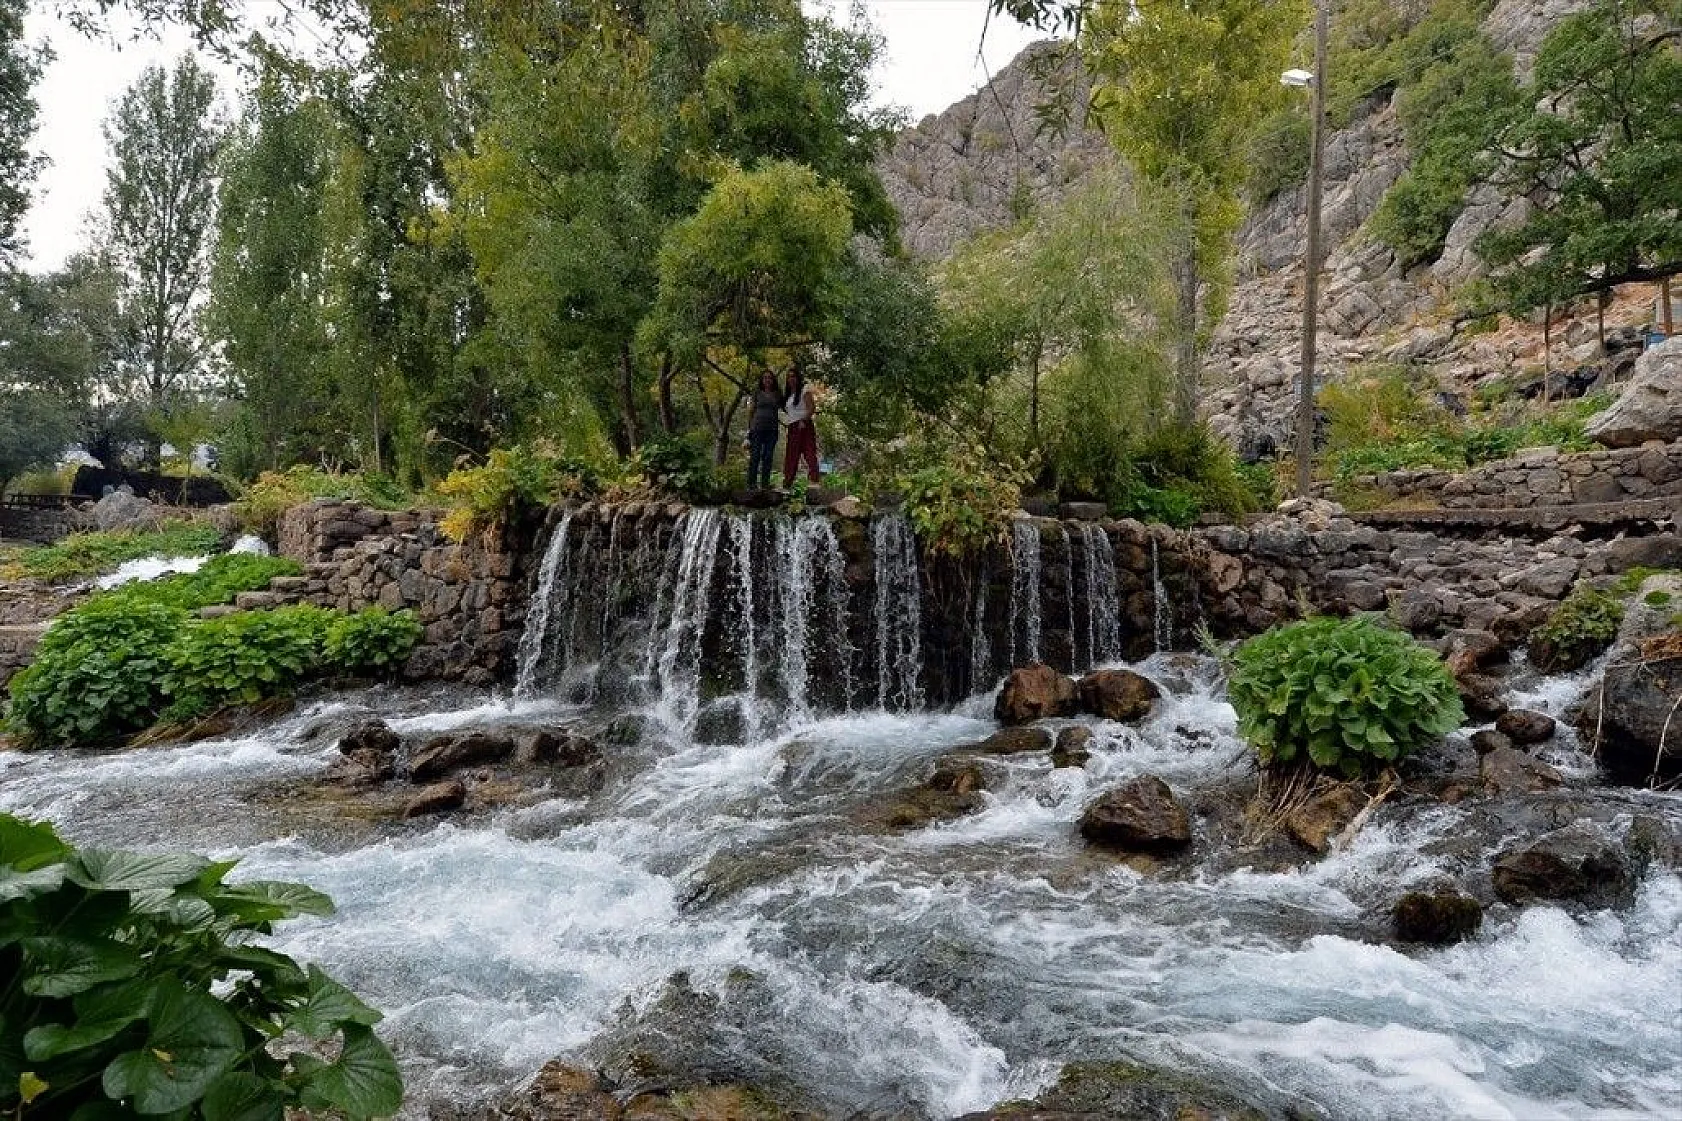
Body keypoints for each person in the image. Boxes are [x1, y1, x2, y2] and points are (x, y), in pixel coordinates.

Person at [781, 368, 820, 487]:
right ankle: (787, 483)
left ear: (798, 378)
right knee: (791, 456)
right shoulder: (788, 395)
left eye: (793, 376)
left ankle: (814, 480)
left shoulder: (804, 390)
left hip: (804, 425)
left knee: (809, 453)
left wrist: (804, 420)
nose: (791, 379)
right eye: (789, 377)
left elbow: (811, 407)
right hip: (792, 426)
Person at [744, 370, 781, 490]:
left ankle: (765, 484)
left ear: (773, 380)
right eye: (765, 378)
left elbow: (786, 407)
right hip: (757, 429)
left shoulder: (777, 394)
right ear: (762, 380)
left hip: (772, 430)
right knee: (755, 456)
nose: (767, 380)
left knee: (768, 456)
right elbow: (751, 411)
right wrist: (748, 429)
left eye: (769, 378)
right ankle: (751, 484)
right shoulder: (757, 393)